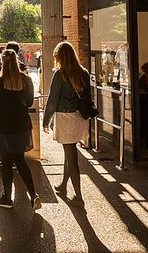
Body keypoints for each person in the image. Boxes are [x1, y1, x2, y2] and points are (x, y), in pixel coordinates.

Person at [0, 49, 41, 210]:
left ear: (2, 62)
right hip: (21, 124)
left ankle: (7, 198)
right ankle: (34, 195)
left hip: (3, 125)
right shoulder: (26, 79)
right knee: (20, 160)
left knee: (6, 162)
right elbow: (30, 101)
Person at [42, 41, 90, 208]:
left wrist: (46, 120)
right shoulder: (83, 73)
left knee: (72, 157)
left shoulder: (60, 74)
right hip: (79, 118)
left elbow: (52, 100)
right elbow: (87, 97)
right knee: (69, 153)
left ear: (60, 57)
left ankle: (79, 196)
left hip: (64, 117)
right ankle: (63, 185)